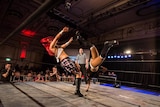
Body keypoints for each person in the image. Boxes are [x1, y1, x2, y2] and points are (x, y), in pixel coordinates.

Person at [40, 26, 83, 97]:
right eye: (51, 40)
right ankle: (77, 91)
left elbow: (64, 45)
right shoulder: (51, 47)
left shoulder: (58, 48)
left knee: (78, 72)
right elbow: (57, 38)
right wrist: (62, 31)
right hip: (65, 61)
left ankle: (77, 89)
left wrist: (70, 41)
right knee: (78, 73)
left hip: (66, 60)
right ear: (49, 41)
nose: (53, 40)